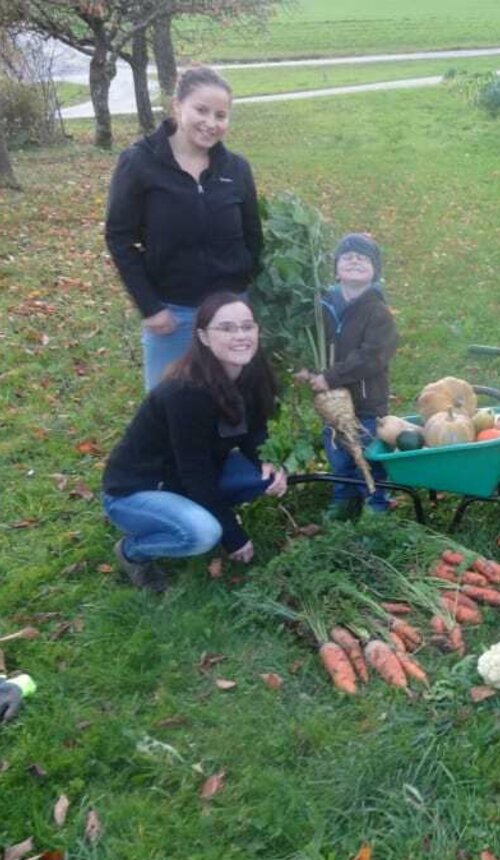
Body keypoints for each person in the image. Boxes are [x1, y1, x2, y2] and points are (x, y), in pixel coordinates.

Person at [101, 293, 287, 592]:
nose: (240, 336)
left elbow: (254, 431)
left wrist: (265, 460)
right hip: (137, 489)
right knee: (203, 533)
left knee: (260, 479)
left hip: (187, 476)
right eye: (226, 328)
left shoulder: (251, 373)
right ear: (203, 336)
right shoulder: (185, 393)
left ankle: (191, 512)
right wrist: (232, 534)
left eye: (247, 326)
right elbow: (195, 471)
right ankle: (133, 551)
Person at [105, 66, 262, 391]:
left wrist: (247, 298)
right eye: (201, 110)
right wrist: (150, 306)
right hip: (173, 315)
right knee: (170, 408)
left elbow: (253, 236)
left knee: (233, 407)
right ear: (177, 105)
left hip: (231, 315)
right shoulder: (139, 163)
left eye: (221, 115)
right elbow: (119, 238)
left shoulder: (237, 168)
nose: (211, 123)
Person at [294, 233, 399, 520]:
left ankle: (375, 501)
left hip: (366, 401)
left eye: (363, 257)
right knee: (337, 453)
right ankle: (343, 496)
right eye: (347, 256)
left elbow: (372, 355)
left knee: (366, 453)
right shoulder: (322, 306)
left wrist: (331, 376)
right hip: (332, 404)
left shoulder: (378, 311)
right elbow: (307, 340)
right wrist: (306, 367)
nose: (354, 260)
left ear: (374, 271)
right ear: (336, 269)